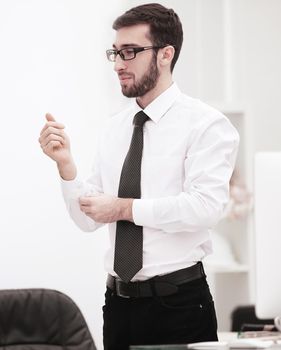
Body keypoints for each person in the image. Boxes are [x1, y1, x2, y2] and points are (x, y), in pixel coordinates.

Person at [39, 3, 239, 349]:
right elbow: (90, 220)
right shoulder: (115, 127)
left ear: (165, 55)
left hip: (178, 305)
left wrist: (123, 208)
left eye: (130, 52)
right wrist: (66, 166)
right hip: (118, 304)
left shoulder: (207, 125)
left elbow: (205, 207)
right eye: (115, 53)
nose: (118, 64)